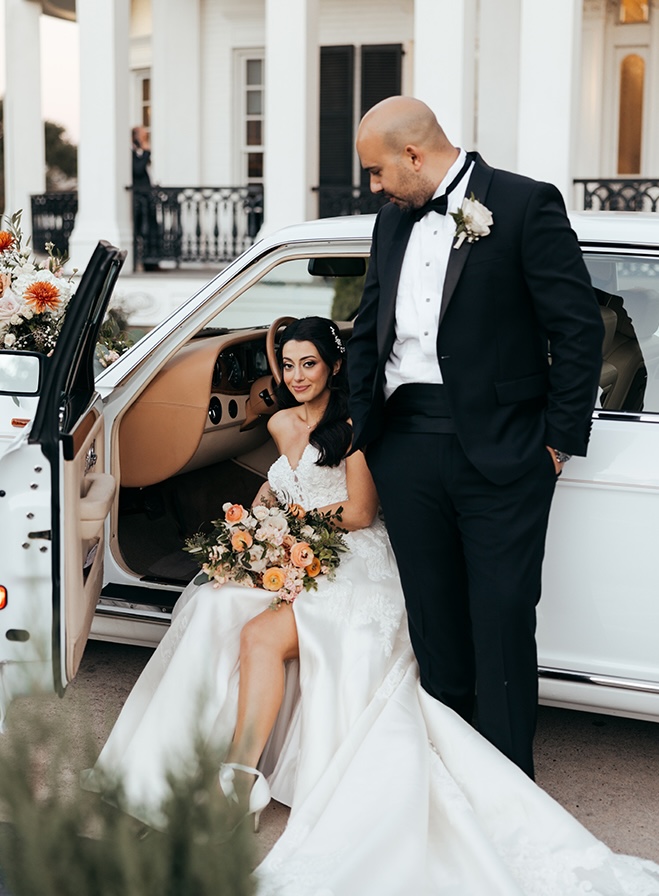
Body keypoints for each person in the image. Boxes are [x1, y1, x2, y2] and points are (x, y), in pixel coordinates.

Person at [85, 318, 659, 894]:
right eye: (287, 366)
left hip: (356, 560)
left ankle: (234, 787)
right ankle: (173, 764)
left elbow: (359, 513)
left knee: (260, 637)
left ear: (334, 366)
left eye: (309, 364)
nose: (297, 376)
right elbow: (277, 488)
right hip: (300, 549)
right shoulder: (281, 421)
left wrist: (288, 529)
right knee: (210, 604)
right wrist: (252, 531)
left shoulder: (355, 423)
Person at [347, 96, 605, 779]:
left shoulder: (523, 205)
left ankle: (506, 785)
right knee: (433, 621)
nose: (372, 187)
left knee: (499, 620)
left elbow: (576, 329)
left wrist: (555, 443)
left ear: (412, 154)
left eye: (377, 172)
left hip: (503, 449)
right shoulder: (390, 222)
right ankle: (446, 777)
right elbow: (368, 328)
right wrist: (364, 436)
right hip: (404, 444)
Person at [131, 125, 160, 271]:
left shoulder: (139, 153)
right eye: (142, 135)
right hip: (139, 199)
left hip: (147, 196)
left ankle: (153, 262)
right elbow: (137, 170)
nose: (146, 137)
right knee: (143, 230)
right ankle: (146, 262)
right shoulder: (131, 153)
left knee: (153, 228)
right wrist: (147, 152)